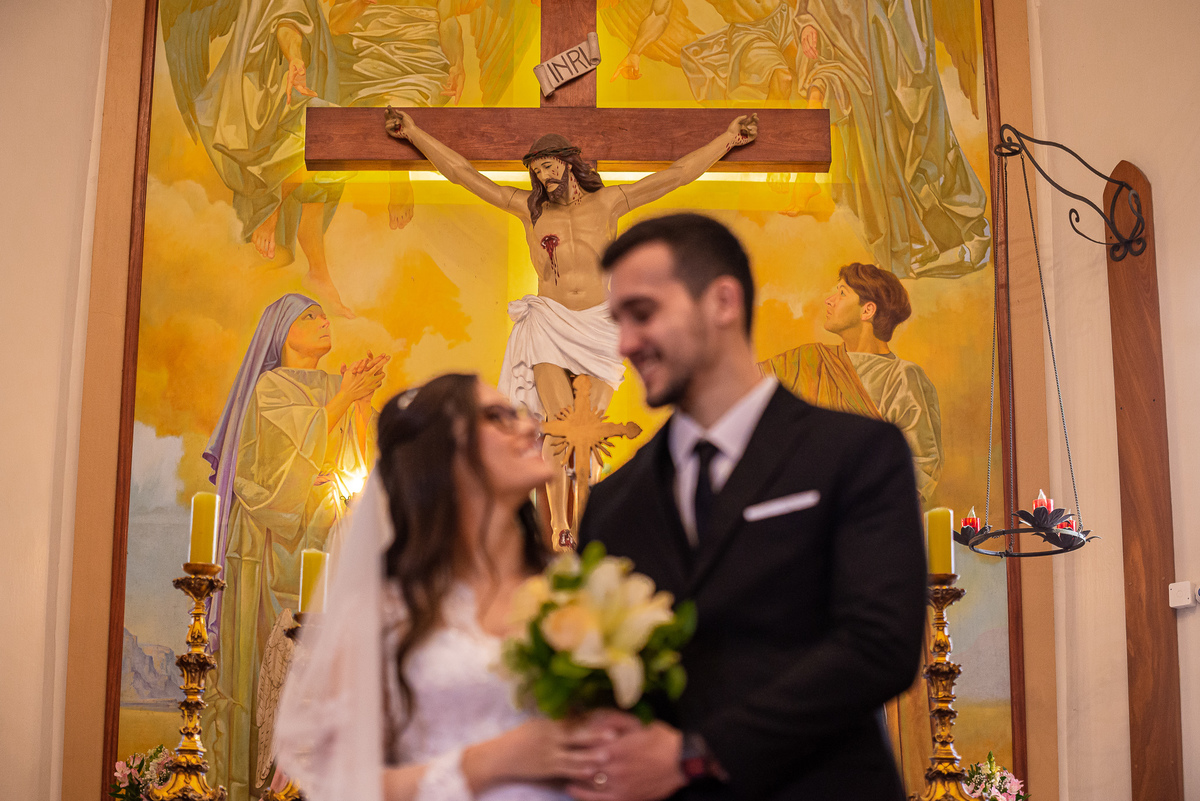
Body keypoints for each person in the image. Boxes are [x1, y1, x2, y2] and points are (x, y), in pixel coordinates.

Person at [572, 214, 927, 800]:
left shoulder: (856, 453)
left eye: (643, 314)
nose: (626, 344)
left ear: (723, 301)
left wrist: (700, 753)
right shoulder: (612, 503)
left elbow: (879, 647)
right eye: (619, 323)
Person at [384, 110, 758, 542]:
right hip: (549, 321)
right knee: (558, 424)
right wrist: (414, 133)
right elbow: (463, 174)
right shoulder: (528, 210)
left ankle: (581, 523)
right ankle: (560, 528)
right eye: (536, 171)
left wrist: (727, 139)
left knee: (586, 428)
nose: (542, 177)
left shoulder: (609, 202)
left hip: (599, 325)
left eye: (547, 166)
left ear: (567, 162)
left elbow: (675, 175)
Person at [274, 373, 604, 801]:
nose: (531, 427)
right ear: (443, 452)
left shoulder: (575, 589)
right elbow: (344, 785)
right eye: (498, 417)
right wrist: (485, 763)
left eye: (520, 414)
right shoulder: (386, 611)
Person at [202, 294, 388, 801]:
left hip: (327, 538)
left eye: (324, 314)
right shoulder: (270, 387)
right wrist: (343, 400)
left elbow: (362, 469)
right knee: (272, 667)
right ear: (282, 331)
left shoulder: (337, 386)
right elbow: (275, 475)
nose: (323, 321)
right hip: (271, 548)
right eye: (309, 316)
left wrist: (363, 403)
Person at [762, 262, 943, 504]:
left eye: (842, 293)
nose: (830, 300)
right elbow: (747, 389)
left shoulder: (901, 376)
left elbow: (921, 466)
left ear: (867, 311)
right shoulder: (808, 362)